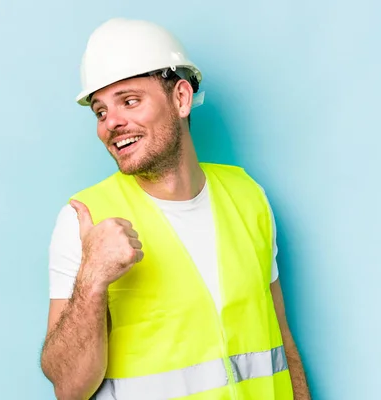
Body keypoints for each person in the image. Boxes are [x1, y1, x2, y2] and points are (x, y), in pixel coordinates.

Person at [40, 18, 311, 400]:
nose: (111, 123)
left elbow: (281, 340)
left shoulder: (248, 197)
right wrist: (92, 277)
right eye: (100, 112)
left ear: (181, 98)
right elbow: (69, 388)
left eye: (129, 101)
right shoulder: (85, 219)